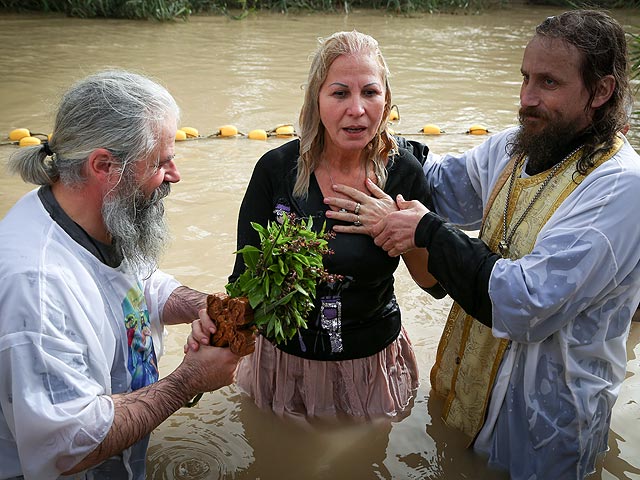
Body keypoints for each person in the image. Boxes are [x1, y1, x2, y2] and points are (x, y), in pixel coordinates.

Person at [327, 9, 640, 479]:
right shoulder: (520, 144)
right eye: (525, 78)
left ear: (600, 92)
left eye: (549, 83)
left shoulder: (619, 188)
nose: (527, 98)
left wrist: (427, 232)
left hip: (546, 427)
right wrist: (369, 128)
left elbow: (525, 303)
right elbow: (439, 186)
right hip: (467, 395)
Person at [0, 70, 241, 479]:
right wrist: (188, 381)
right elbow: (68, 447)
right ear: (104, 166)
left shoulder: (98, 217)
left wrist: (206, 306)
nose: (175, 175)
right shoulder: (35, 286)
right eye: (161, 163)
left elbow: (141, 283)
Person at [191, 30, 439, 419]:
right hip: (284, 362)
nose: (357, 109)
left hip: (371, 361)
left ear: (386, 99)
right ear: (316, 100)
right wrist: (213, 334)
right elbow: (242, 280)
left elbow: (433, 285)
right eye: (340, 93)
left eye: (370, 93)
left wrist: (403, 232)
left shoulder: (404, 173)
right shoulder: (276, 171)